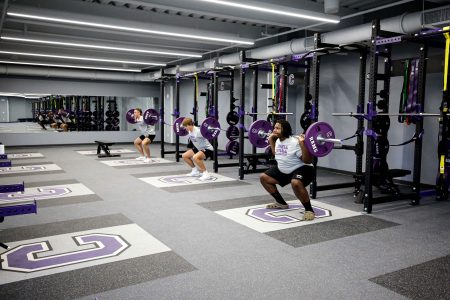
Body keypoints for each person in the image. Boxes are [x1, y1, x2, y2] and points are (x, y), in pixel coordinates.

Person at [260, 119, 316, 221]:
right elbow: (276, 154)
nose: (274, 130)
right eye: (274, 128)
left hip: (302, 168)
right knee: (264, 178)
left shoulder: (294, 142)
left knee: (295, 182)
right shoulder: (278, 140)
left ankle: (309, 210)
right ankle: (281, 203)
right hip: (284, 169)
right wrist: (271, 140)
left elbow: (307, 161)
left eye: (277, 128)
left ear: (284, 130)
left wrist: (302, 144)